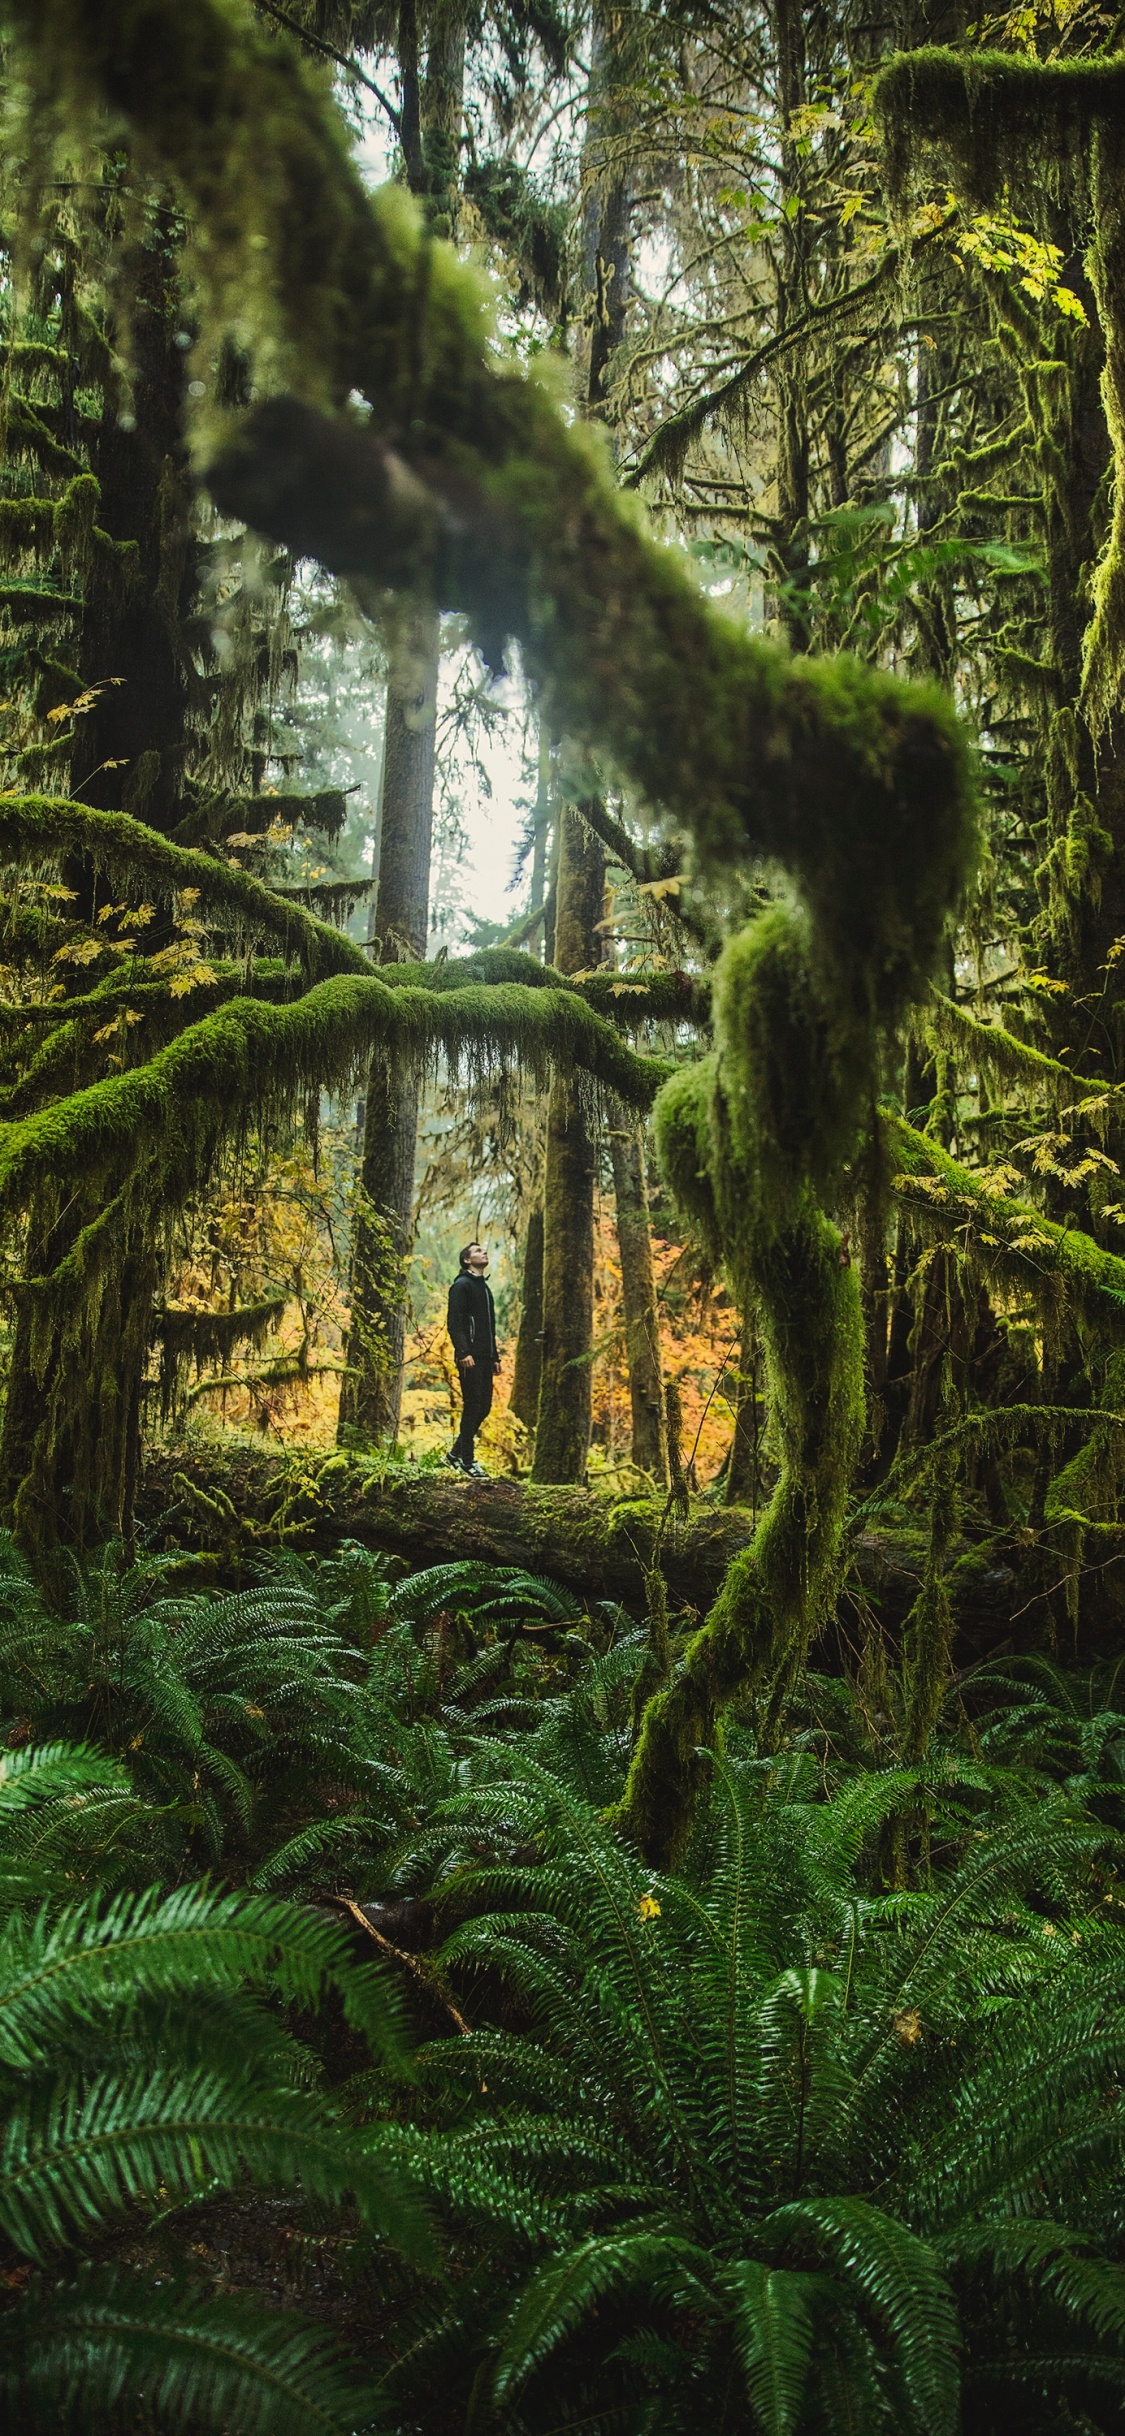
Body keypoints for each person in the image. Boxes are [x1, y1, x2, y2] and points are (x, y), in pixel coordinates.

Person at [446, 1241, 501, 1476]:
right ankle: (467, 1462)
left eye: (484, 1250)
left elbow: (490, 1326)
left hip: (485, 1357)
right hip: (469, 1357)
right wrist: (463, 1352)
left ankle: (454, 1454)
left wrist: (495, 1356)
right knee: (472, 1407)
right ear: (467, 1260)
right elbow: (455, 1323)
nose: (484, 1252)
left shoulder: (484, 1288)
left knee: (484, 1407)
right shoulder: (461, 1286)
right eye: (478, 1251)